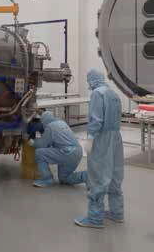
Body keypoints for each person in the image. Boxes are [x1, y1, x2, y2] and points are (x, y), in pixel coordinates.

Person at [74, 69, 124, 229]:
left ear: (91, 80)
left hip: (101, 138)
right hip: (116, 137)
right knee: (115, 173)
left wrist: (90, 138)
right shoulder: (113, 94)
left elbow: (96, 119)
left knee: (98, 175)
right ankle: (117, 213)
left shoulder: (97, 94)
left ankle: (95, 218)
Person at [28, 111, 87, 188]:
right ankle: (86, 175)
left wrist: (32, 142)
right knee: (64, 178)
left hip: (67, 153)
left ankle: (47, 179)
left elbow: (42, 144)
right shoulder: (62, 123)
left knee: (39, 153)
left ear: (43, 121)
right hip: (77, 152)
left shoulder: (50, 127)